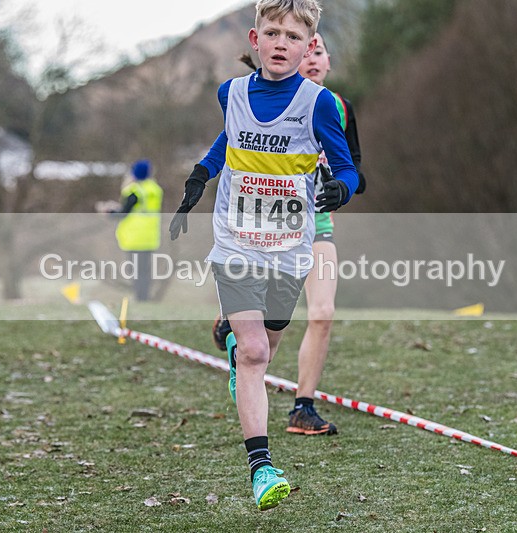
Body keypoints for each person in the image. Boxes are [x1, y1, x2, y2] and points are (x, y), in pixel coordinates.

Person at [169, 0, 358, 511]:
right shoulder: (230, 93)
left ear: (308, 46)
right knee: (255, 353)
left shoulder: (319, 104)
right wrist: (200, 176)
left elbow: (347, 168)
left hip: (290, 249)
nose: (281, 44)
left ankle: (239, 350)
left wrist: (341, 188)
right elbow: (228, 140)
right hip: (236, 241)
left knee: (268, 343)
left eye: (293, 37)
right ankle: (261, 468)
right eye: (272, 33)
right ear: (255, 40)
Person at [215, 32, 366, 436]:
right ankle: (236, 327)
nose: (313, 59)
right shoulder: (260, 103)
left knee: (322, 313)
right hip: (265, 226)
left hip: (317, 225)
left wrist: (345, 184)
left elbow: (355, 169)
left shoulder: (338, 108)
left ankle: (303, 407)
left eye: (320, 52)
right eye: (307, 51)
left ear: (329, 61)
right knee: (265, 328)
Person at [112, 159, 163, 301]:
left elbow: (123, 213)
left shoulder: (134, 191)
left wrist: (109, 212)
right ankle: (144, 297)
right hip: (150, 236)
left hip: (134, 236)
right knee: (145, 270)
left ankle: (140, 298)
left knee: (135, 270)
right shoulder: (155, 189)